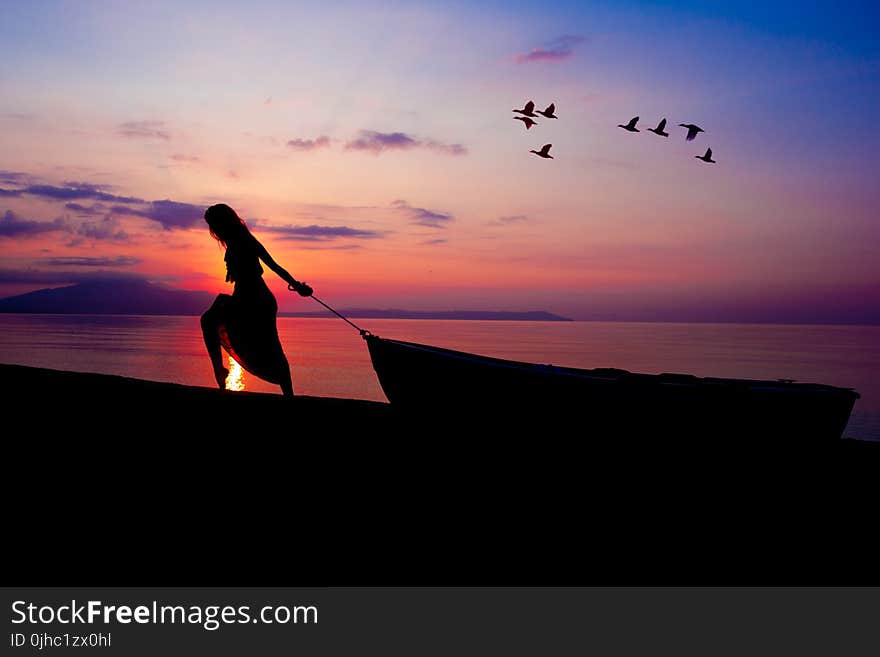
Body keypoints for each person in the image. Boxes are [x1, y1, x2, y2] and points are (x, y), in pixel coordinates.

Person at [200, 203, 312, 397]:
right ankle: (220, 370)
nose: (214, 230)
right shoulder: (234, 242)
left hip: (258, 300)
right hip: (244, 299)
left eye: (215, 224)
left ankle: (288, 394)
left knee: (272, 348)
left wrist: (297, 285)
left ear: (224, 222)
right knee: (210, 320)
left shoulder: (245, 239)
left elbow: (274, 265)